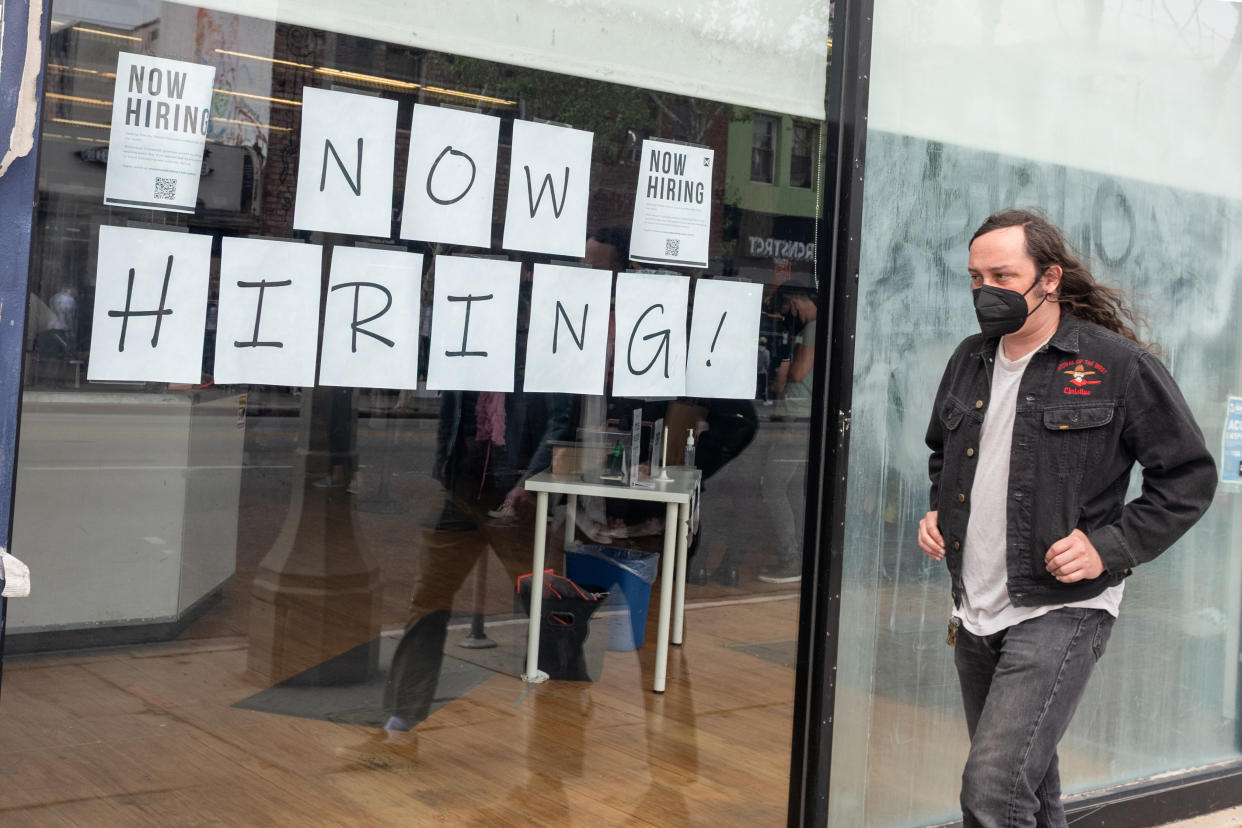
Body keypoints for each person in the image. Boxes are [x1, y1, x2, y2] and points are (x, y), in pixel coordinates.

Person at [917, 209, 1217, 827]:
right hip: (976, 607)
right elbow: (944, 453)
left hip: (1064, 605)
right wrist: (938, 511)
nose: (986, 291)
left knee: (993, 789)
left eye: (1003, 274)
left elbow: (1187, 477)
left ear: (1049, 278)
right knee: (1029, 788)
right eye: (976, 278)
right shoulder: (970, 359)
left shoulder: (1116, 365)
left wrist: (1110, 547)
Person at [758, 283, 818, 584]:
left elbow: (797, 373)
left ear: (796, 302)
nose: (786, 316)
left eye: (786, 310)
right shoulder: (817, 327)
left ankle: (790, 557)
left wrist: (785, 361)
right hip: (800, 416)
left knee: (773, 485)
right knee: (792, 489)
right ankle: (799, 554)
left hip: (796, 417)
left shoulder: (813, 328)